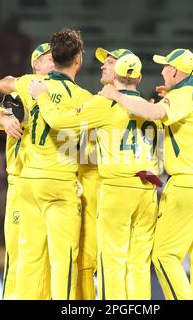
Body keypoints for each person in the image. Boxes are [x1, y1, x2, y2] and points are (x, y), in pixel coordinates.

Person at [29, 49, 163, 299]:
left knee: (109, 260)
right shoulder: (150, 107)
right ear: (140, 78)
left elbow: (59, 121)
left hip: (115, 188)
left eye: (110, 63)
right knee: (138, 263)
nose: (103, 67)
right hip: (147, 188)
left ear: (118, 73)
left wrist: (42, 97)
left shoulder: (103, 104)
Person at [99, 48, 193, 300]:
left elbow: (152, 113)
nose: (162, 70)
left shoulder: (181, 97)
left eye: (166, 66)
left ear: (176, 72)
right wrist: (171, 98)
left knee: (165, 256)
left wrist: (116, 95)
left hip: (187, 185)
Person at [8, 29, 91, 300]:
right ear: (78, 59)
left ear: (53, 58)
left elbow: (4, 84)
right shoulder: (82, 98)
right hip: (59, 183)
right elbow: (87, 147)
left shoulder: (30, 84)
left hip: (28, 182)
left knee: (30, 257)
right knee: (63, 259)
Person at [0, 43, 54, 299]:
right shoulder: (21, 93)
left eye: (56, 58)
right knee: (19, 252)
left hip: (52, 183)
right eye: (48, 58)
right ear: (36, 64)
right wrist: (6, 120)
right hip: (21, 183)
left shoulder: (65, 94)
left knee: (50, 256)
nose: (53, 62)